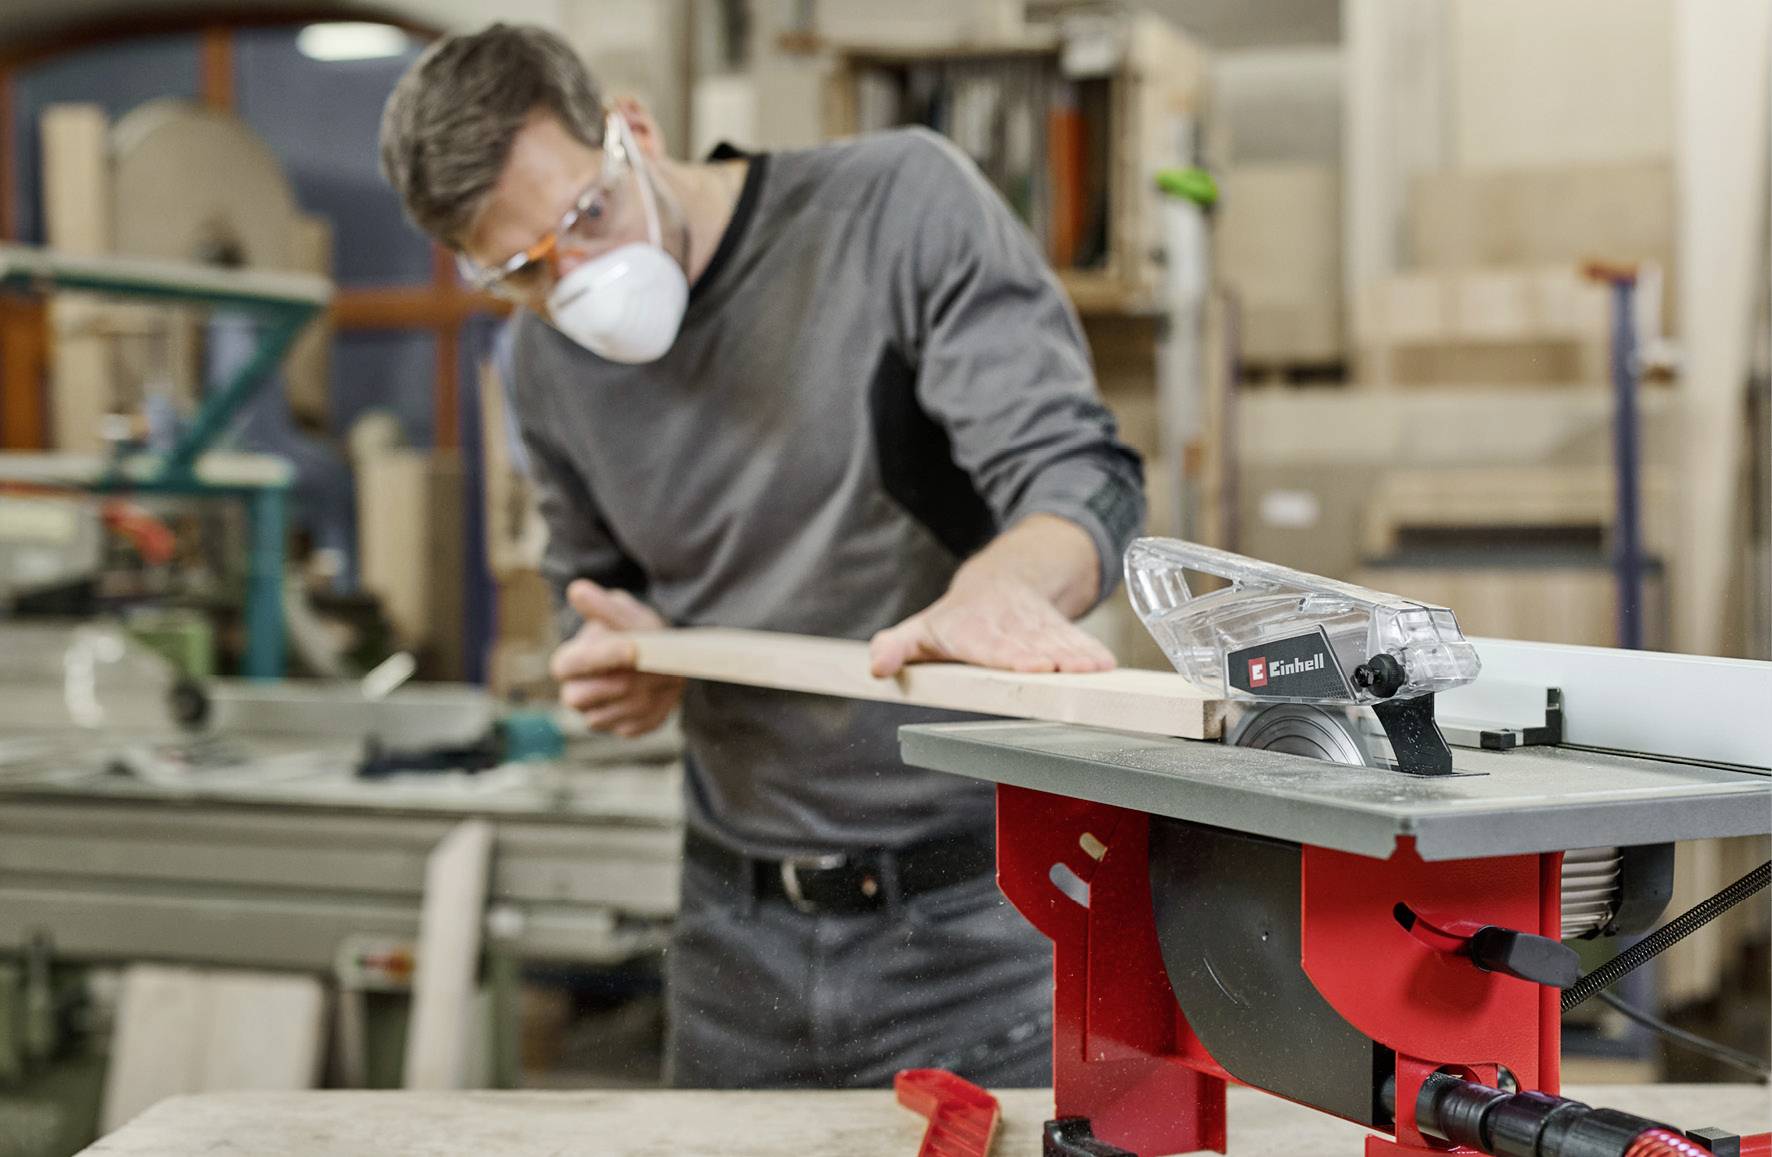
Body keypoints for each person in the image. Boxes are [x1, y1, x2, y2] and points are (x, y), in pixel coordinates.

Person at [379, 23, 1144, 1088]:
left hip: (976, 924)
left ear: (631, 130)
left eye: (586, 218)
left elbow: (1082, 476)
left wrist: (999, 589)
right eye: (525, 269)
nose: (580, 281)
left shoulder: (889, 209)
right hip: (735, 941)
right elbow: (589, 587)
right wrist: (616, 656)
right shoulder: (542, 364)